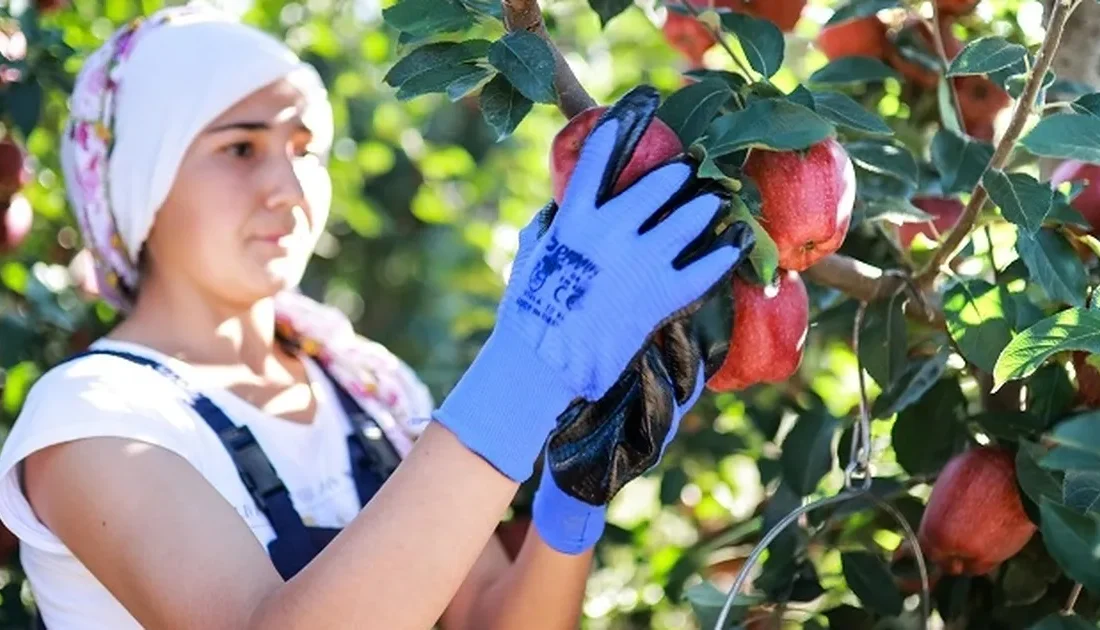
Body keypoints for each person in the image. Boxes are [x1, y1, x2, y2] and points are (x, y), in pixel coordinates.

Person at [0, 3, 751, 628]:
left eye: (305, 149)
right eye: (239, 148)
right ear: (143, 180)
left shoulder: (363, 388)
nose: (288, 189)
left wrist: (571, 502)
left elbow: (490, 619)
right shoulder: (93, 419)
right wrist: (527, 365)